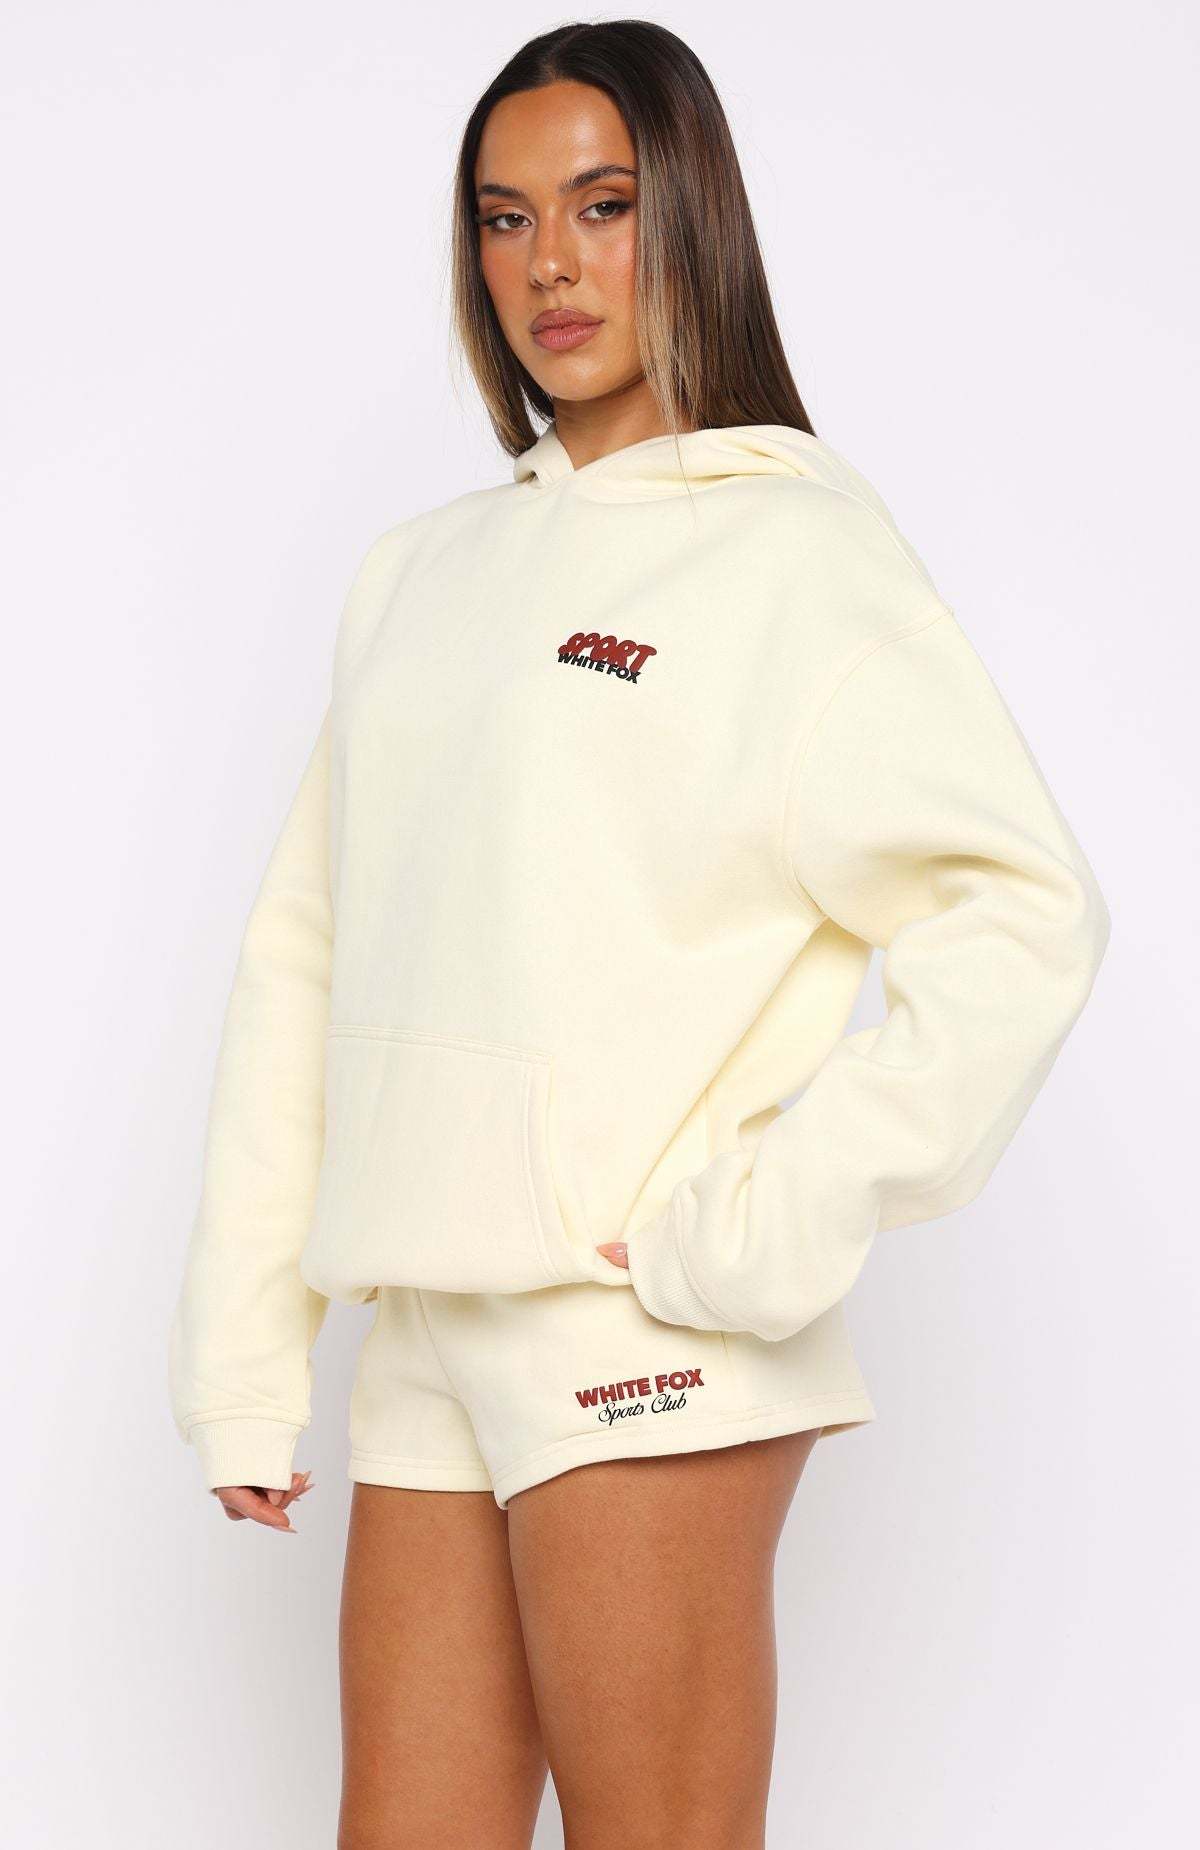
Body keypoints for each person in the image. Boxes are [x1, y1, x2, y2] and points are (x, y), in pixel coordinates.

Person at [167, 19, 1110, 1847]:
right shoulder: (420, 575)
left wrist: (764, 1223)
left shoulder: (795, 555)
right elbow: (307, 959)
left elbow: (1026, 910)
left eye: (602, 205)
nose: (552, 264)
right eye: (507, 218)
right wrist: (245, 1362)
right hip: (427, 1321)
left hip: (641, 1330)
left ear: (689, 215)